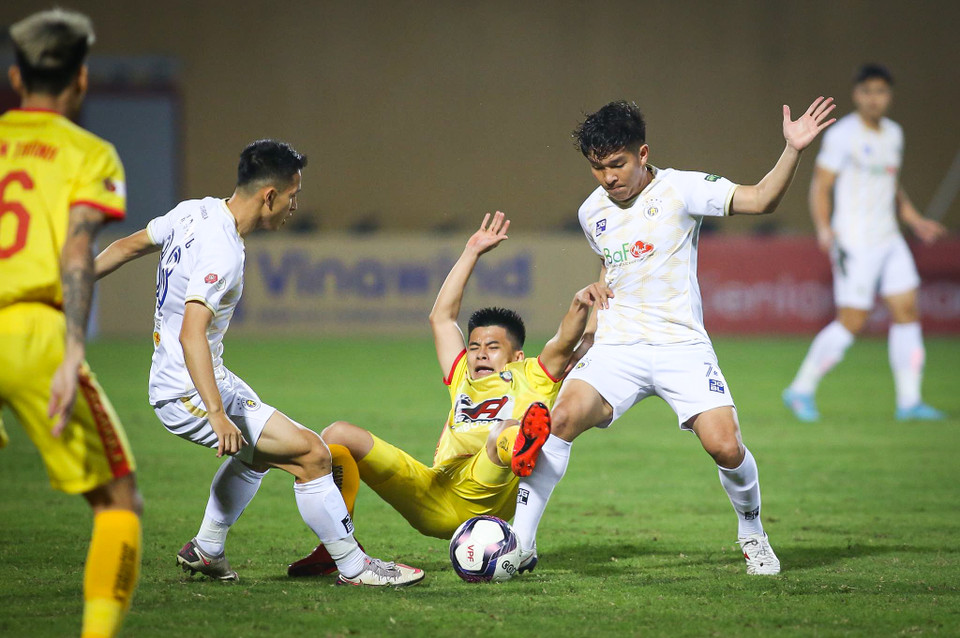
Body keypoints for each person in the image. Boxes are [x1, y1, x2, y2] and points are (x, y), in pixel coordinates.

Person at [509, 96, 837, 577]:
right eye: (597, 167)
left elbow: (761, 198)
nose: (608, 177)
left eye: (617, 164)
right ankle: (520, 543)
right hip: (618, 347)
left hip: (680, 345)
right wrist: (591, 336)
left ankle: (752, 530)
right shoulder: (590, 212)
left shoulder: (682, 189)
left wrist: (792, 150)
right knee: (558, 421)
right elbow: (613, 264)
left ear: (643, 155)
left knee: (725, 447)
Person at [94, 139, 423, 587]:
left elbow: (127, 246)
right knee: (312, 455)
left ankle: (207, 548)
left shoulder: (194, 211)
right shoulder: (223, 252)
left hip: (209, 376)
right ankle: (354, 567)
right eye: (293, 196)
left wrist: (67, 283)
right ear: (269, 195)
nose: (294, 206)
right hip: (188, 389)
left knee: (256, 458)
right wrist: (216, 415)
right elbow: (192, 332)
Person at [287, 211, 610, 576]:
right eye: (474, 346)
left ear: (516, 355)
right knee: (336, 436)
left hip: (485, 494)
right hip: (436, 492)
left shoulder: (533, 372)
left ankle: (520, 450)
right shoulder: (461, 375)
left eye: (492, 346)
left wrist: (581, 303)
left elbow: (569, 340)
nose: (480, 353)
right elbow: (441, 318)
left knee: (503, 429)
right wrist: (471, 251)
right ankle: (337, 545)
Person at [0, 9, 141, 637]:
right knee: (119, 503)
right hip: (31, 332)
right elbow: (77, 249)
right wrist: (71, 351)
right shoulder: (89, 154)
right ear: (80, 80)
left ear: (13, 77)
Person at [783, 64, 948, 422]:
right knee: (853, 320)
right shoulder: (843, 135)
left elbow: (891, 185)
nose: (875, 98)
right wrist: (824, 228)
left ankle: (909, 401)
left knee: (907, 311)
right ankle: (801, 389)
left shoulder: (894, 134)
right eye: (868, 91)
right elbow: (821, 185)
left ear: (890, 96)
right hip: (855, 239)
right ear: (857, 95)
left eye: (882, 92)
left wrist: (914, 219)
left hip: (889, 238)